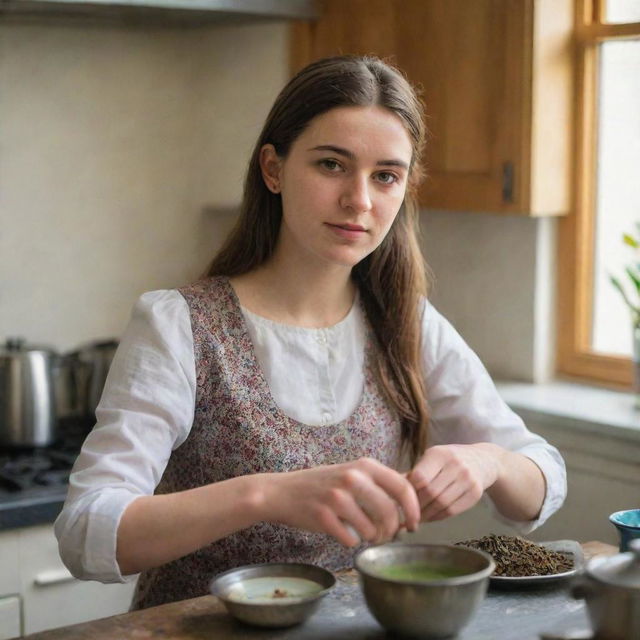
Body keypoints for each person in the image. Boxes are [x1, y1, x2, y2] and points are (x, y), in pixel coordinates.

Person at [55, 55, 566, 610]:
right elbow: (85, 531)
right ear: (273, 169)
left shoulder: (406, 322)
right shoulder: (179, 325)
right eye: (331, 165)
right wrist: (263, 494)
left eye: (386, 176)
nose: (360, 200)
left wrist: (488, 460)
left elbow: (537, 484)